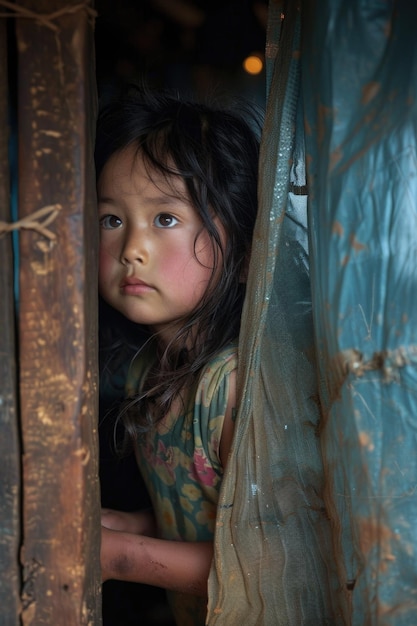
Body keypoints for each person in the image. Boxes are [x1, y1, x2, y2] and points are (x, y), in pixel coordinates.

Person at [96, 84, 261, 625]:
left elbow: (265, 563)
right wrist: (125, 526)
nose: (131, 249)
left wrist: (119, 555)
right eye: (111, 219)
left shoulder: (233, 387)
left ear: (241, 252)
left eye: (165, 219)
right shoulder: (149, 371)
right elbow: (196, 514)